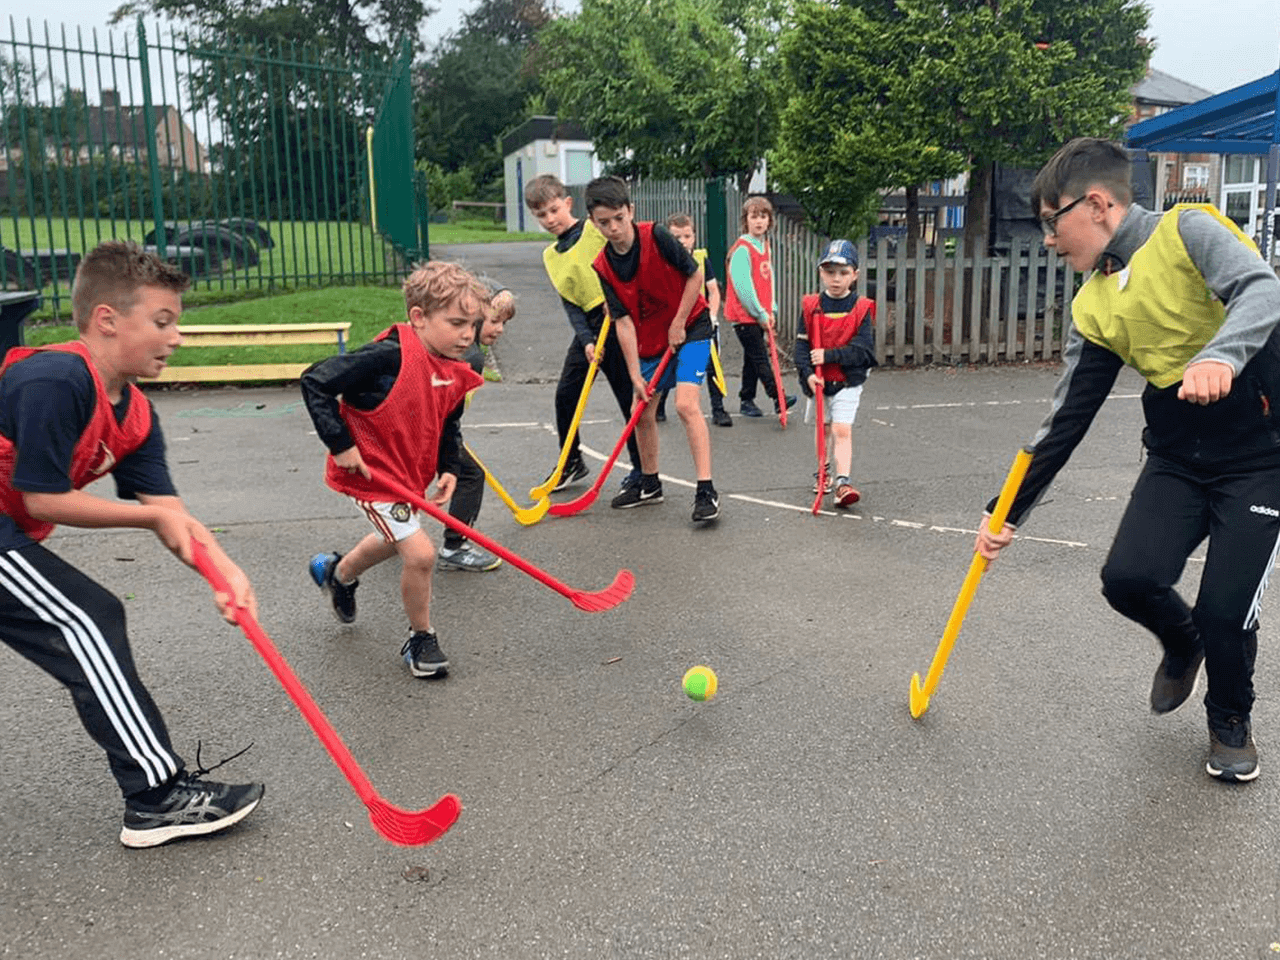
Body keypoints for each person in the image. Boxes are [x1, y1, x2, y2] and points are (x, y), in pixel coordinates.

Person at [976, 137, 1280, 783]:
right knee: (1128, 578)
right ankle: (1182, 640)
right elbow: (1066, 419)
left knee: (1226, 608)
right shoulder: (1093, 304)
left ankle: (1230, 718)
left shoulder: (1188, 231)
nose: (1050, 241)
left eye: (1051, 223)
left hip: (1259, 456)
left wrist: (1221, 357)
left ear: (1096, 204)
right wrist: (1006, 510)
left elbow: (1261, 289)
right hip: (1177, 456)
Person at [0, 240, 263, 848]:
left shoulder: (136, 413)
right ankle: (157, 797)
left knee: (84, 616)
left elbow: (169, 512)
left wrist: (221, 569)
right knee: (86, 619)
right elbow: (43, 500)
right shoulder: (54, 377)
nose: (176, 338)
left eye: (178, 324)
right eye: (162, 322)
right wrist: (146, 523)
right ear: (107, 320)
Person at [302, 261, 486, 679]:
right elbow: (315, 382)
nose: (467, 335)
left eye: (472, 325)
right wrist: (341, 443)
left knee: (394, 540)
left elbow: (448, 421)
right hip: (371, 476)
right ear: (418, 318)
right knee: (420, 553)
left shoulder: (454, 368)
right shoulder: (387, 357)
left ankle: (339, 573)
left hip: (408, 476)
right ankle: (420, 639)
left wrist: (448, 466)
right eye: (456, 323)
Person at [585, 176, 721, 523]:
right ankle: (649, 483)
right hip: (650, 341)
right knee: (641, 410)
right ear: (593, 222)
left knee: (685, 404)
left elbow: (694, 276)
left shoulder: (657, 235)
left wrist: (678, 322)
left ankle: (706, 490)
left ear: (630, 210)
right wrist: (633, 373)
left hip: (691, 326)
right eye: (604, 222)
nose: (614, 228)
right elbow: (624, 321)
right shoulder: (602, 266)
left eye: (619, 217)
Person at [524, 174, 642, 493]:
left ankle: (643, 469)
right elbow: (570, 303)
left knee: (625, 396)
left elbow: (625, 257)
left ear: (567, 204)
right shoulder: (551, 256)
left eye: (553, 210)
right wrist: (587, 341)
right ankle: (571, 461)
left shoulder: (594, 229)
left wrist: (615, 298)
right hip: (589, 327)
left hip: (619, 320)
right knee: (566, 394)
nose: (549, 219)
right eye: (541, 215)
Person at [437, 286, 516, 573]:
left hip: (422, 428)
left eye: (504, 323)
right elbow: (445, 408)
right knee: (470, 475)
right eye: (495, 321)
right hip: (429, 429)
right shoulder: (470, 358)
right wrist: (449, 438)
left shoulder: (457, 346)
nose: (500, 330)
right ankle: (454, 547)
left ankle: (395, 533)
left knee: (410, 478)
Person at [795, 239, 877, 508]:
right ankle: (823, 470)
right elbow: (801, 346)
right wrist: (807, 374)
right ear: (821, 273)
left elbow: (863, 350)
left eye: (843, 272)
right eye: (830, 272)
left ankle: (843, 482)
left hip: (848, 380)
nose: (836, 279)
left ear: (855, 275)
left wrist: (829, 356)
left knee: (842, 429)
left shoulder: (862, 308)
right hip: (819, 382)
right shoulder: (811, 307)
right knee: (824, 428)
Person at [654, 213, 731, 428]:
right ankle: (659, 407)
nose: (682, 241)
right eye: (676, 237)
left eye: (687, 236)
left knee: (712, 366)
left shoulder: (701, 260)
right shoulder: (664, 262)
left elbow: (714, 291)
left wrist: (713, 317)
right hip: (673, 324)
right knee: (667, 363)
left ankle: (718, 409)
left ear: (694, 237)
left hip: (700, 323)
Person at [724, 195, 796, 419]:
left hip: (759, 314)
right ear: (746, 220)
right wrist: (759, 313)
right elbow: (744, 288)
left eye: (763, 216)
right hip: (745, 316)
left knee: (751, 360)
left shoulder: (764, 246)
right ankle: (778, 397)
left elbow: (769, 278)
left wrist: (771, 308)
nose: (759, 221)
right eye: (753, 216)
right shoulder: (743, 249)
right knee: (760, 359)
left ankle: (747, 400)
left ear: (769, 221)